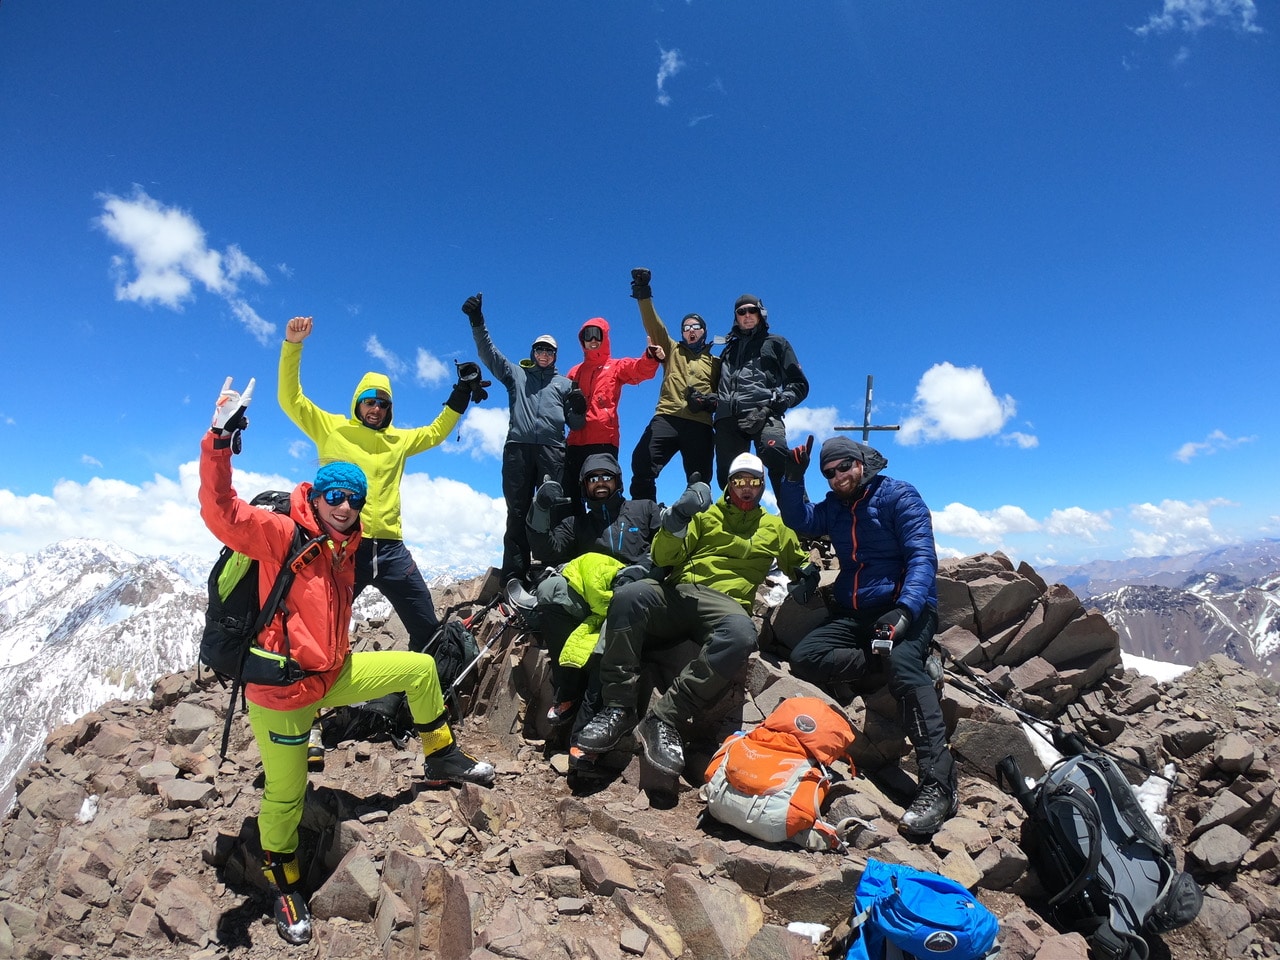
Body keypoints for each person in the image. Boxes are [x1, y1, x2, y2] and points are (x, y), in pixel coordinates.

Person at [201, 378, 493, 946]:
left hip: (331, 676)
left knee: (420, 670)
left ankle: (441, 756)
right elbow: (222, 511)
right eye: (334, 495)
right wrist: (218, 442)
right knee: (285, 797)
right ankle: (283, 883)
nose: (344, 506)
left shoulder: (347, 548)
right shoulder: (280, 534)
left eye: (354, 500)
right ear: (316, 497)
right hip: (284, 695)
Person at [572, 452, 818, 777]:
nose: (746, 487)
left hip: (726, 604)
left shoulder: (775, 528)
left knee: (741, 634)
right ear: (729, 484)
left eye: (753, 481)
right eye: (739, 480)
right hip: (681, 592)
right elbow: (663, 556)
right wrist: (676, 519)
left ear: (761, 486)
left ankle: (665, 717)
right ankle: (618, 707)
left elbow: (798, 561)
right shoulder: (705, 516)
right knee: (630, 595)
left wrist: (807, 574)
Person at [772, 434, 954, 838]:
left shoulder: (898, 495)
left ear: (860, 463)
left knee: (903, 668)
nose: (837, 477)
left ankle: (939, 784)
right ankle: (898, 657)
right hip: (857, 612)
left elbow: (922, 556)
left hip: (907, 605)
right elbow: (799, 520)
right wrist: (791, 479)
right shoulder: (835, 507)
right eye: (828, 473)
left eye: (843, 467)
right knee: (805, 658)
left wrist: (905, 611)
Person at [278, 315, 485, 656]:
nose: (376, 408)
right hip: (343, 548)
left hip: (391, 551)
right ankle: (314, 681)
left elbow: (435, 433)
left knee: (426, 626)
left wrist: (460, 392)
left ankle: (427, 681)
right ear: (358, 403)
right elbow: (291, 399)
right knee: (322, 627)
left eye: (383, 403)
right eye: (370, 401)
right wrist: (293, 346)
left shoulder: (397, 441)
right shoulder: (331, 428)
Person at [523, 453, 662, 728]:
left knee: (621, 608)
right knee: (549, 589)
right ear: (584, 486)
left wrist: (641, 569)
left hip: (633, 594)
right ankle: (568, 688)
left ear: (618, 481)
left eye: (606, 476)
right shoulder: (577, 524)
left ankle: (593, 713)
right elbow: (545, 549)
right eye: (592, 478)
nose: (600, 482)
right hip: (592, 598)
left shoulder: (645, 509)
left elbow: (664, 547)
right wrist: (540, 508)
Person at [463, 293, 585, 584]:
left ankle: (554, 572)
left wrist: (580, 408)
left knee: (553, 509)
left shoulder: (565, 385)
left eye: (549, 351)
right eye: (540, 349)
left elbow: (577, 424)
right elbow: (489, 354)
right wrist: (477, 321)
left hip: (553, 451)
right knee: (517, 511)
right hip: (517, 450)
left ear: (555, 356)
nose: (544, 354)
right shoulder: (516, 375)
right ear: (533, 352)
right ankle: (514, 576)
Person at [625, 267, 720, 501]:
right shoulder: (672, 350)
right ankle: (645, 514)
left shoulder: (716, 362)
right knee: (642, 462)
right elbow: (654, 324)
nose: (691, 330)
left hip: (699, 424)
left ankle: (696, 520)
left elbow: (725, 394)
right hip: (667, 417)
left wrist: (709, 402)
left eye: (695, 327)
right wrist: (643, 292)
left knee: (700, 480)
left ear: (704, 332)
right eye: (686, 327)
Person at [562, 316, 659, 510]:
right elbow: (561, 403)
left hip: (604, 442)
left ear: (605, 337)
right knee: (570, 495)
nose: (592, 340)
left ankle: (608, 529)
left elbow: (640, 370)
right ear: (582, 340)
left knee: (603, 495)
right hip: (575, 442)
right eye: (587, 336)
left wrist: (650, 357)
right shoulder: (574, 372)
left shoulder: (615, 367)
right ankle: (572, 529)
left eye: (597, 334)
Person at [713, 294, 809, 491]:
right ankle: (733, 511)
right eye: (742, 312)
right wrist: (709, 400)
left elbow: (798, 383)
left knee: (775, 453)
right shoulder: (728, 350)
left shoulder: (776, 343)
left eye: (752, 310)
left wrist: (783, 400)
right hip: (727, 418)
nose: (747, 315)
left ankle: (797, 510)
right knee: (728, 475)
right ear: (736, 317)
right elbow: (718, 386)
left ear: (761, 313)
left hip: (765, 412)